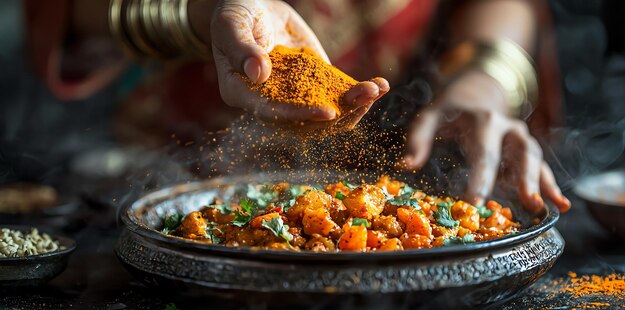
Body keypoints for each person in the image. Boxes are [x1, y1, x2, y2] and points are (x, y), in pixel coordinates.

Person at [25, 0, 571, 213]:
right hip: (177, 186)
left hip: (389, 194)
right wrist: (206, 12)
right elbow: (67, 13)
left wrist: (482, 83)